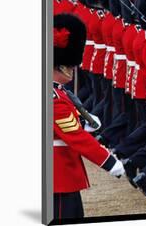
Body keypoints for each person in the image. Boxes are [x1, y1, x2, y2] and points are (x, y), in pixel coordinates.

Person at [53, 14, 125, 220]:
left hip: (62, 175)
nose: (74, 69)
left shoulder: (58, 92)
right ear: (61, 66)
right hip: (58, 175)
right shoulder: (53, 97)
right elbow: (74, 136)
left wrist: (83, 122)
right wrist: (109, 162)